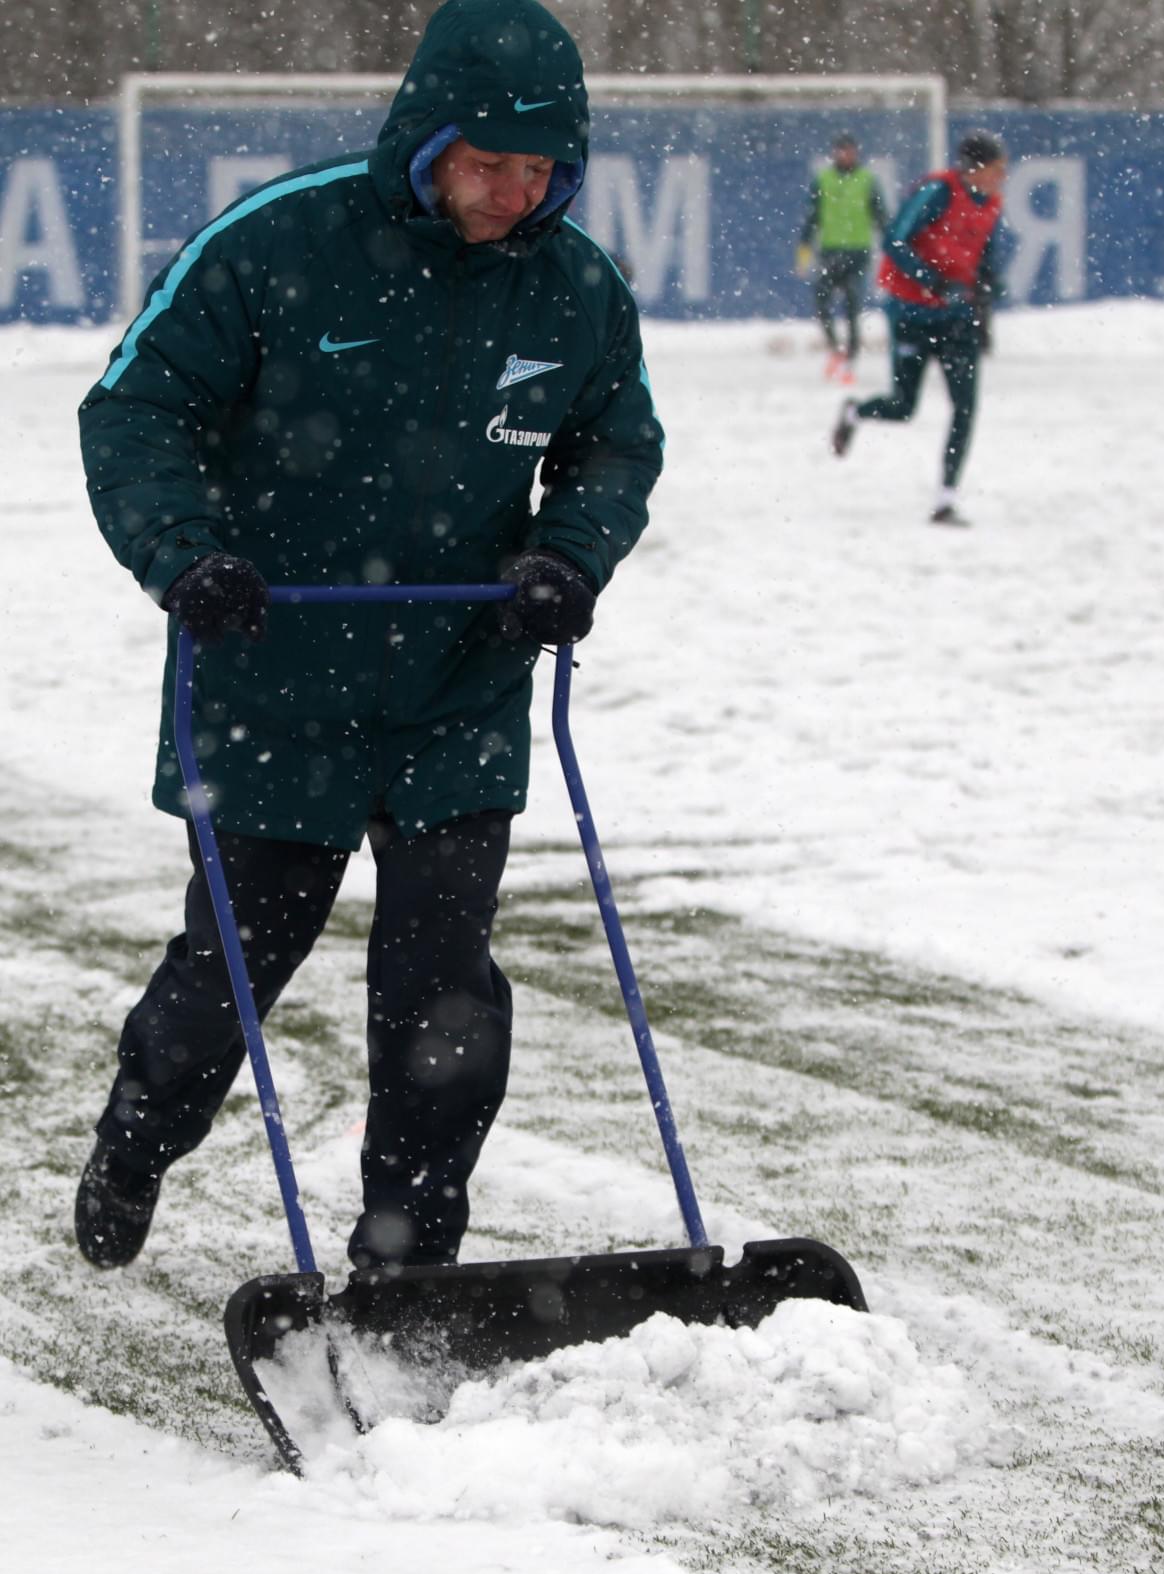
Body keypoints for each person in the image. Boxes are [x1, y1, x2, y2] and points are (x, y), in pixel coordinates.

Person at [73, 0, 663, 1277]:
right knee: (230, 969)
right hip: (275, 677)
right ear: (426, 139)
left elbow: (616, 442)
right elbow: (133, 411)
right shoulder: (279, 244)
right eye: (490, 162)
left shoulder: (572, 288)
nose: (519, 191)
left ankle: (410, 1258)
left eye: (544, 167)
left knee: (445, 987)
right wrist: (187, 556)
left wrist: (568, 558)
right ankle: (139, 1134)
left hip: (460, 685)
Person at [831, 130, 1007, 526]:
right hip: (912, 316)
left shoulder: (992, 205)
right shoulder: (938, 193)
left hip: (956, 320)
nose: (1002, 176)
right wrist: (929, 279)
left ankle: (945, 498)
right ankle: (855, 413)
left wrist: (985, 292)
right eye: (997, 168)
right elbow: (894, 239)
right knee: (903, 406)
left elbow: (986, 259)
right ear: (976, 169)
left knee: (965, 406)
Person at [796, 133, 888, 381]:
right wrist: (804, 251)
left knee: (852, 305)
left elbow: (881, 217)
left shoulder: (867, 180)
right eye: (841, 151)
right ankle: (835, 349)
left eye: (850, 151)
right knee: (822, 301)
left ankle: (850, 360)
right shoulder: (823, 180)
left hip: (858, 252)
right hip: (831, 251)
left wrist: (891, 247)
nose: (846, 156)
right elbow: (812, 218)